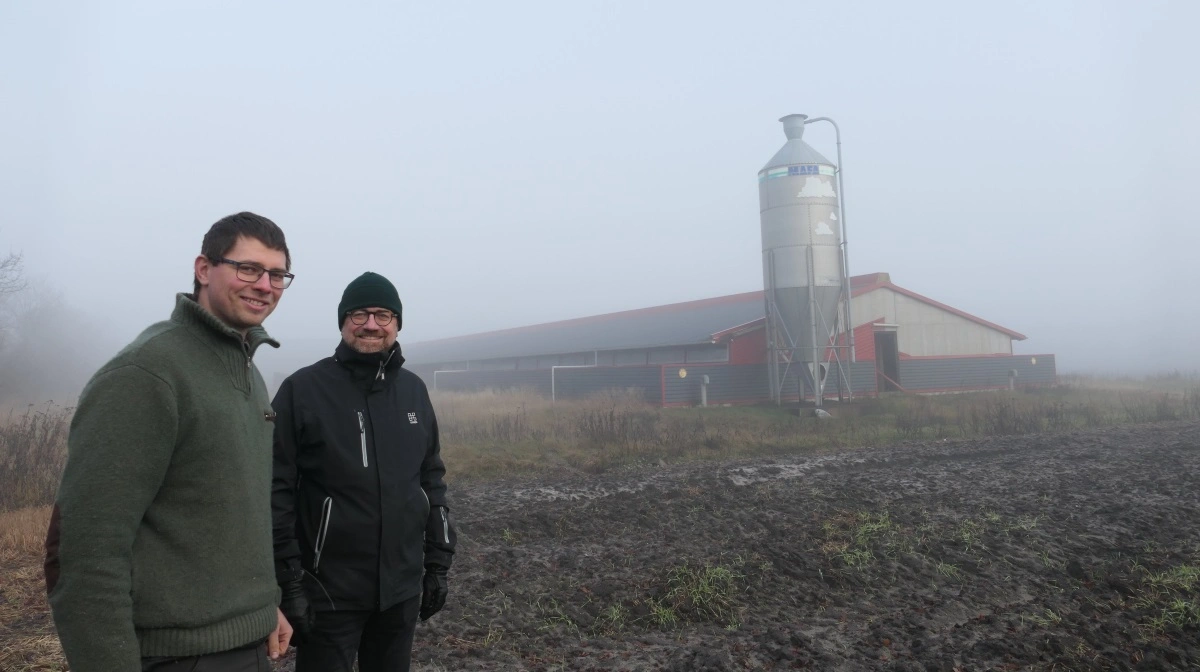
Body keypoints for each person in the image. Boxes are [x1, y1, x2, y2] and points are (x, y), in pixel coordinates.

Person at [44, 212, 297, 672]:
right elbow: (84, 550)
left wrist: (265, 606)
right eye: (248, 268)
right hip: (176, 656)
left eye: (277, 274)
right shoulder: (148, 373)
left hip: (248, 643)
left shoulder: (248, 372)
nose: (265, 284)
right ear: (204, 269)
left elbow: (233, 514)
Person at [271, 271, 456, 672]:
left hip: (401, 591)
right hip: (327, 592)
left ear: (397, 323)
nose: (371, 324)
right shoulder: (302, 390)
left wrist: (438, 565)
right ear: (342, 321)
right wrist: (288, 583)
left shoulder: (413, 391)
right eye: (359, 314)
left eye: (384, 315)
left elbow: (431, 479)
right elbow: (275, 490)